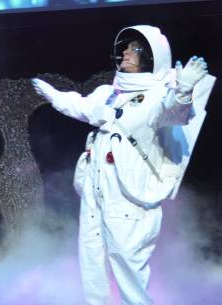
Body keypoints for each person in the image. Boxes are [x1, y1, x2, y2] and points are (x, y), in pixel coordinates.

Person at [32, 25, 210, 305]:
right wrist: (53, 95)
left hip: (128, 200)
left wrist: (184, 89)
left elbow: (176, 112)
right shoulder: (108, 93)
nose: (126, 52)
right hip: (96, 193)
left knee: (129, 270)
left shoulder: (159, 95)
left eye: (135, 48)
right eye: (124, 47)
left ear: (152, 57)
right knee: (92, 266)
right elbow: (80, 106)